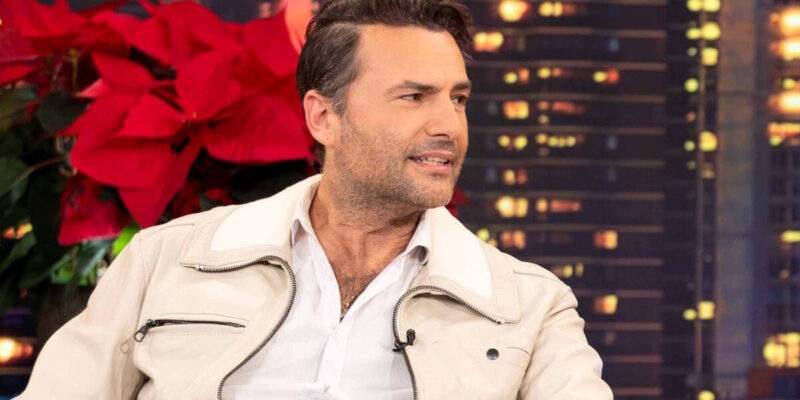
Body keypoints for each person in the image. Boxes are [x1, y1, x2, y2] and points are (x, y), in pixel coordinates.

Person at [17, 0, 613, 398]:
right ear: (323, 116)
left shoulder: (530, 307)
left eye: (457, 99)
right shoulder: (165, 262)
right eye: (414, 97)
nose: (448, 127)